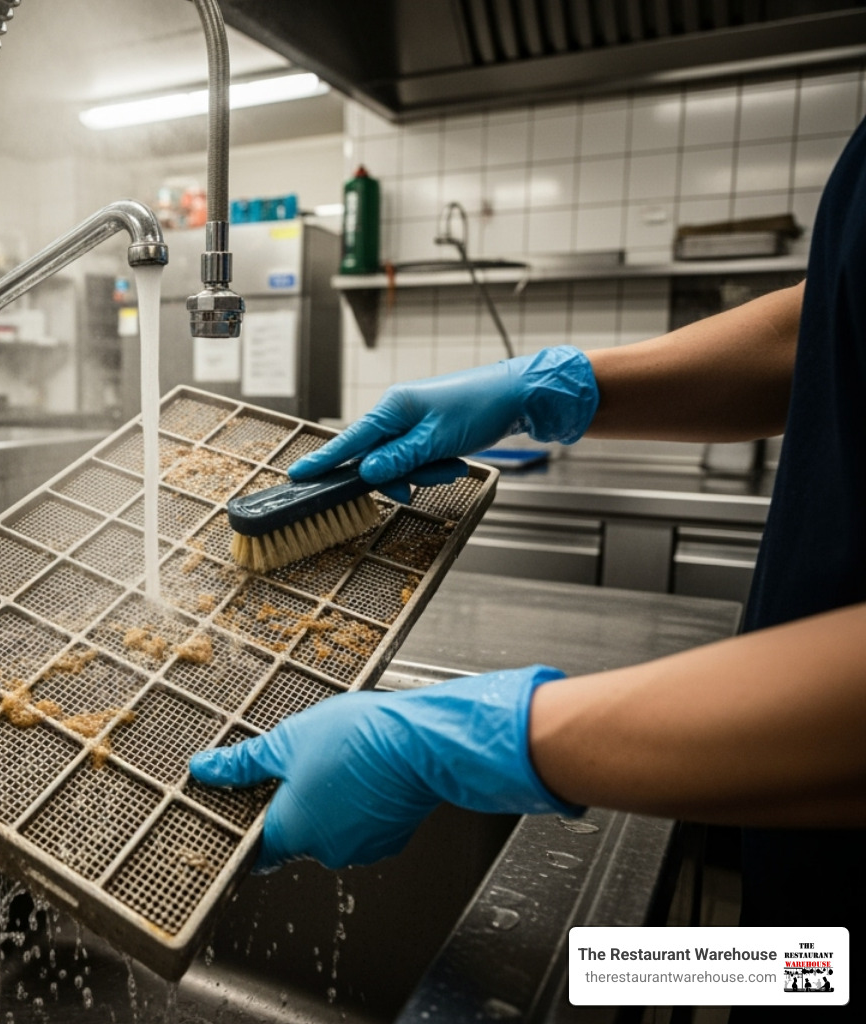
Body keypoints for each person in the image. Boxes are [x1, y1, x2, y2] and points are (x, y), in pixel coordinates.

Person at [190, 120, 866, 1016]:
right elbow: (829, 329)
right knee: (681, 975)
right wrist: (550, 386)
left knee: (585, 973)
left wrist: (472, 742)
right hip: (807, 930)